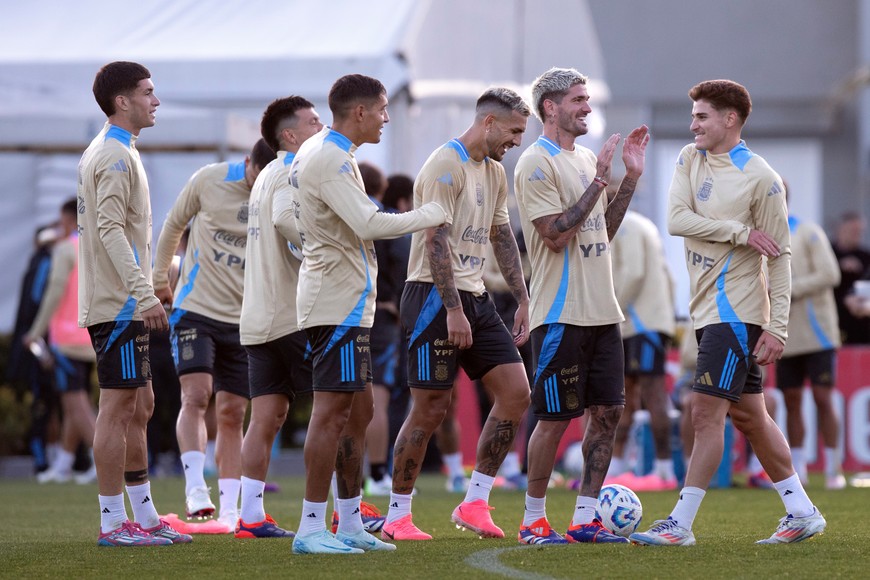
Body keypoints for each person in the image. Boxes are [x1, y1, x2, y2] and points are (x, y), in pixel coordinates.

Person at [630, 79, 825, 546]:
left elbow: (780, 258)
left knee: (704, 413)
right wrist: (738, 232)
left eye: (702, 116)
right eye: (693, 115)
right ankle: (801, 510)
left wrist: (776, 327)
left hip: (736, 311)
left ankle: (680, 524)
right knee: (751, 417)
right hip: (707, 311)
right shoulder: (688, 158)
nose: (692, 123)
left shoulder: (762, 178)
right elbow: (676, 219)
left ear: (730, 120)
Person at [287, 74, 446, 554]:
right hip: (333, 303)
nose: (386, 116)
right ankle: (311, 528)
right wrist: (431, 213)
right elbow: (368, 223)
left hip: (346, 302)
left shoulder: (331, 154)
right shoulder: (330, 155)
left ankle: (351, 522)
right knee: (332, 413)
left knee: (361, 411)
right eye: (381, 108)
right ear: (359, 112)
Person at [383, 87, 531, 541]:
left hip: (478, 294)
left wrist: (524, 299)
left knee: (516, 393)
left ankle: (474, 502)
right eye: (513, 131)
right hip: (432, 296)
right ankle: (396, 517)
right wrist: (452, 309)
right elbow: (435, 239)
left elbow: (502, 236)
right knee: (430, 408)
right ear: (488, 122)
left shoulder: (495, 170)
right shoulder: (445, 164)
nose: (517, 141)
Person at [514, 67, 649, 545]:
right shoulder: (535, 163)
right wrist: (597, 182)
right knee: (553, 419)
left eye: (587, 99)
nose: (587, 107)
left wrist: (627, 179)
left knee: (608, 414)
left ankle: (586, 519)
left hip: (602, 312)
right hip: (561, 312)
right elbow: (554, 236)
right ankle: (533, 519)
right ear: (550, 107)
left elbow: (601, 233)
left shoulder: (587, 157)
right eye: (578, 99)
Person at [78, 61, 191, 546]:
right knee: (120, 407)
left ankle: (143, 517)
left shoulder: (117, 151)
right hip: (118, 304)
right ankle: (111, 523)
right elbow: (108, 231)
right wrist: (145, 295)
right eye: (148, 92)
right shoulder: (114, 156)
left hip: (121, 300)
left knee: (141, 404)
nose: (156, 100)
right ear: (121, 101)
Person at [153, 136, 275, 528]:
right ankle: (194, 489)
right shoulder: (209, 179)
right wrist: (159, 280)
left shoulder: (280, 189)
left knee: (233, 412)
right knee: (196, 395)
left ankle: (229, 510)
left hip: (244, 319)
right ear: (246, 163)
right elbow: (174, 223)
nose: (260, 186)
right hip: (196, 310)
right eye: (256, 177)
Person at [234, 95, 322, 539]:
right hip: (290, 316)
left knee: (265, 418)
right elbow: (288, 221)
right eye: (313, 121)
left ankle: (250, 516)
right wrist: (324, 250)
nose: (322, 126)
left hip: (257, 318)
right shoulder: (293, 168)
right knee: (343, 408)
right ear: (289, 134)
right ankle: (346, 511)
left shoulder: (264, 173)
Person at [24, 198, 98, 485]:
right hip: (90, 335)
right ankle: (65, 464)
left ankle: (102, 461)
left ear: (67, 221)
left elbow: (54, 293)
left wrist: (35, 330)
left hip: (66, 337)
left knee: (76, 403)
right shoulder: (92, 248)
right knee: (72, 405)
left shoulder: (65, 249)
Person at [608, 209, 677, 491]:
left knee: (652, 394)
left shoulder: (627, 226)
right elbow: (669, 278)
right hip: (641, 323)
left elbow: (634, 273)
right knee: (623, 396)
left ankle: (664, 471)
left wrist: (609, 309)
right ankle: (616, 470)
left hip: (640, 323)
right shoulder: (643, 223)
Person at [779, 203, 846, 490]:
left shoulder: (808, 231)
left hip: (817, 333)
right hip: (783, 335)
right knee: (791, 401)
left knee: (822, 397)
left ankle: (833, 469)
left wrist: (789, 288)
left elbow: (830, 274)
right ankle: (800, 470)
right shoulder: (761, 235)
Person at [357, 161, 403, 497]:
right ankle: (376, 474)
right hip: (382, 318)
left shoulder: (341, 212)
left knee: (343, 399)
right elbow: (404, 264)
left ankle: (346, 477)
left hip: (345, 315)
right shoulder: (384, 218)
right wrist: (396, 303)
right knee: (378, 400)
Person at [9, 224, 60, 475]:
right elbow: (37, 304)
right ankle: (42, 461)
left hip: (39, 342)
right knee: (46, 402)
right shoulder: (43, 263)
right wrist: (40, 343)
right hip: (41, 345)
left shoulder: (36, 262)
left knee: (52, 402)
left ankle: (59, 460)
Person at [830, 211, 870, 344]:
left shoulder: (865, 257)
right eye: (853, 231)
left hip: (861, 323)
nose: (856, 235)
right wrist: (839, 266)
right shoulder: (828, 254)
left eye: (859, 231)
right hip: (833, 320)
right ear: (840, 229)